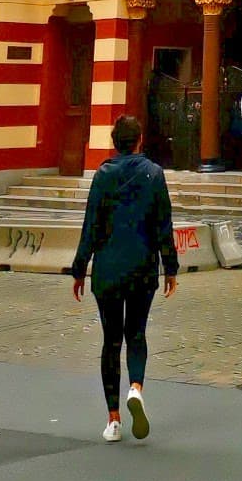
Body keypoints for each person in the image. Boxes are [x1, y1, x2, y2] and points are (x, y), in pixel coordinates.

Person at [71, 114, 179, 442]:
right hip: (142, 268)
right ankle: (135, 387)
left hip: (108, 269)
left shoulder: (103, 176)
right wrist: (170, 267)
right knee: (137, 334)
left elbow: (90, 225)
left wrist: (79, 269)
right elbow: (163, 225)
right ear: (139, 140)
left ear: (115, 142)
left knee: (110, 341)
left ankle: (114, 419)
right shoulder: (154, 175)